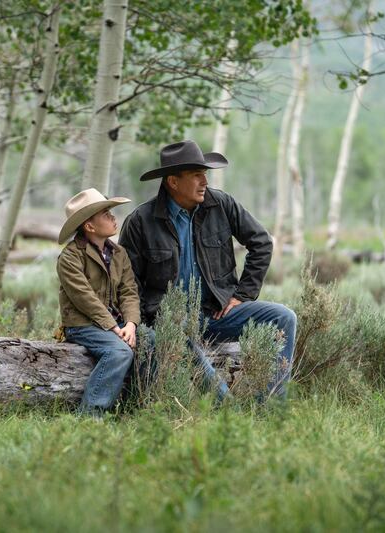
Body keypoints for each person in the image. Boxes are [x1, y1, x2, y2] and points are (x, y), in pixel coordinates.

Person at [119, 140, 297, 400]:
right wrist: (139, 322)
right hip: (168, 321)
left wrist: (242, 295)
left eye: (205, 174)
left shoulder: (221, 204)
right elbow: (128, 282)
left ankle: (271, 407)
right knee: (184, 344)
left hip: (217, 314)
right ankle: (227, 410)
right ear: (173, 181)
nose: (204, 181)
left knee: (284, 317)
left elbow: (261, 242)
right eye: (196, 175)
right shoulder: (140, 222)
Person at [56, 188, 142, 415]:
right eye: (106, 214)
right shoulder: (71, 257)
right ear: (89, 226)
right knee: (119, 352)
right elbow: (84, 298)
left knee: (151, 341)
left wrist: (131, 324)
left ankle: (136, 404)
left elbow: (129, 292)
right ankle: (90, 415)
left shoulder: (119, 253)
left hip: (117, 324)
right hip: (82, 325)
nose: (113, 217)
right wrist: (114, 328)